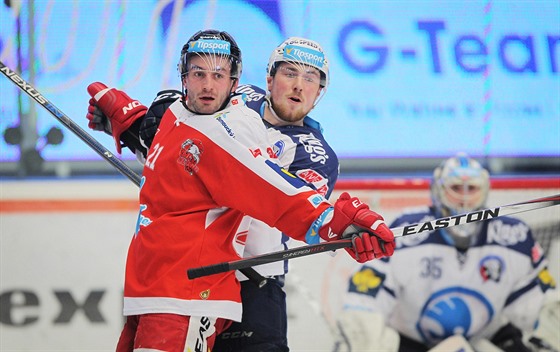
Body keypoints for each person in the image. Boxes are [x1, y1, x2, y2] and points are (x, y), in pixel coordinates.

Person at [86, 29, 395, 352]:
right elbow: (184, 149)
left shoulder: (316, 155)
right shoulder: (235, 98)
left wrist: (337, 222)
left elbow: (273, 196)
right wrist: (142, 122)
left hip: (252, 284)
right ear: (269, 77)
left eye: (311, 79)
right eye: (289, 73)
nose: (298, 85)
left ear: (320, 92)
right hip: (189, 273)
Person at [334, 153, 558, 352]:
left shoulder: (512, 236)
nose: (464, 198)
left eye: (472, 189)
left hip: (483, 340)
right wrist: (363, 336)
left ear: (485, 192)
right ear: (438, 191)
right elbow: (364, 297)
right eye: (456, 188)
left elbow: (542, 306)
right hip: (411, 344)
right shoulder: (407, 232)